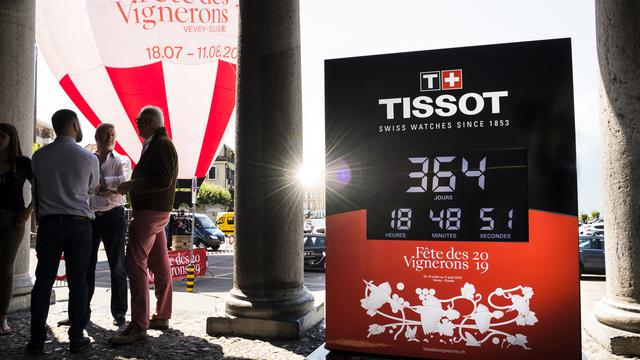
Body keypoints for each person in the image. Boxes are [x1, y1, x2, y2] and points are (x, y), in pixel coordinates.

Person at [28, 109, 99, 354]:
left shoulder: (39, 158)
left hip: (49, 224)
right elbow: (92, 190)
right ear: (73, 124)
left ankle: (36, 339)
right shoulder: (89, 158)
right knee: (78, 280)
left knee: (43, 281)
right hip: (79, 224)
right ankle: (77, 338)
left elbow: (36, 192)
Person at [110, 105, 178, 344]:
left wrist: (131, 185)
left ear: (148, 122)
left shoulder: (159, 145)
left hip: (150, 212)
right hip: (157, 212)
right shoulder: (158, 143)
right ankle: (163, 315)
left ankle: (139, 325)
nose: (136, 123)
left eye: (139, 120)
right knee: (159, 264)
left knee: (134, 263)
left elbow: (163, 179)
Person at [56, 123, 131, 328]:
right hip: (89, 217)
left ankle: (119, 313)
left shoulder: (122, 160)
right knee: (84, 267)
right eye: (105, 134)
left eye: (113, 134)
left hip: (114, 216)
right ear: (96, 136)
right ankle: (80, 314)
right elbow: (81, 184)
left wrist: (100, 184)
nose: (110, 137)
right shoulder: (86, 158)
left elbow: (124, 182)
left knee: (117, 267)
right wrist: (109, 187)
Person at [0, 123, 33, 335]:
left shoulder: (22, 163)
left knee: (4, 269)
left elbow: (41, 186)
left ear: (12, 138)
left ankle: (2, 318)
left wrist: (30, 210)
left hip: (13, 220)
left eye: (2, 136)